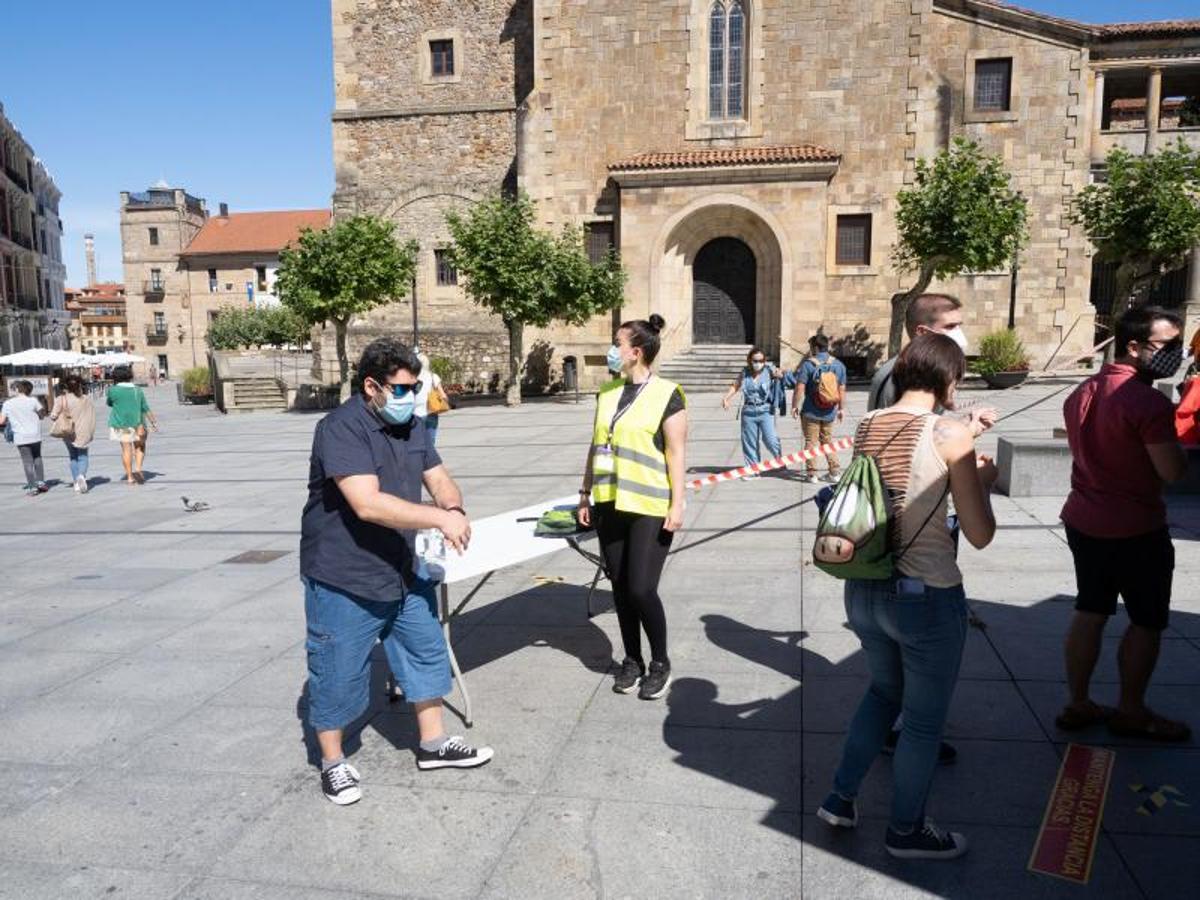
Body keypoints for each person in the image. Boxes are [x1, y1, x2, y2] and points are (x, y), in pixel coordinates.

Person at [817, 333, 997, 860]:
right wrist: (982, 477)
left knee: (881, 693)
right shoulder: (950, 434)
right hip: (927, 597)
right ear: (950, 380)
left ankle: (840, 798)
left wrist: (965, 428)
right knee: (921, 721)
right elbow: (980, 532)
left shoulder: (869, 424)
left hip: (864, 589)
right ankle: (906, 829)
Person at [301, 337, 493, 805]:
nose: (411, 398)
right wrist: (439, 519)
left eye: (415, 387)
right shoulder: (340, 429)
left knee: (425, 651)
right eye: (403, 389)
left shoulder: (413, 428)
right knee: (337, 670)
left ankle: (433, 744)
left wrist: (454, 505)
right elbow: (366, 504)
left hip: (401, 567)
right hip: (345, 574)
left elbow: (439, 475)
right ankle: (332, 761)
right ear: (372, 386)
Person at [1056, 305, 1191, 742]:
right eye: (1166, 346)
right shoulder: (1147, 402)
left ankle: (1078, 702)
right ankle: (1131, 710)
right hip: (1136, 527)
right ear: (1133, 347)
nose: (1176, 353)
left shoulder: (1082, 391)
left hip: (1083, 518)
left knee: (1090, 611)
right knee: (1146, 620)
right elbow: (1171, 472)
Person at [578, 314, 687, 700]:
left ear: (635, 352)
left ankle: (660, 663)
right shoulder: (606, 393)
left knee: (641, 588)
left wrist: (678, 503)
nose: (613, 349)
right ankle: (632, 660)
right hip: (610, 502)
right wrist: (585, 493)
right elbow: (595, 445)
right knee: (621, 587)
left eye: (618, 343)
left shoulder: (668, 394)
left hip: (649, 502)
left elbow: (676, 453)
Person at [791, 334, 847, 483]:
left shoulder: (808, 365)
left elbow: (799, 388)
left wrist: (794, 406)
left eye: (811, 347)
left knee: (811, 442)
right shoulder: (839, 365)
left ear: (815, 347)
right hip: (830, 411)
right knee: (827, 441)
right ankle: (834, 472)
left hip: (810, 411)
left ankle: (812, 474)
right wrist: (841, 409)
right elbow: (841, 389)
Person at [721, 347, 783, 475]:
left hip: (766, 410)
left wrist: (780, 374)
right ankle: (754, 469)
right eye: (755, 360)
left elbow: (781, 374)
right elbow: (736, 385)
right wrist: (726, 398)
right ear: (750, 360)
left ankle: (779, 458)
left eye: (761, 360)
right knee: (749, 442)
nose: (758, 363)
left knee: (770, 439)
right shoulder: (745, 372)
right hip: (748, 411)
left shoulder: (769, 370)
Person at [107, 366, 158, 485]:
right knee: (140, 446)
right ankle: (138, 468)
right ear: (130, 376)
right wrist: (153, 422)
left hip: (121, 424)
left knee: (126, 449)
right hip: (138, 424)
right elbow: (145, 407)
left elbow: (109, 403)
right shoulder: (137, 390)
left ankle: (130, 477)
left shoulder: (112, 390)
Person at [49, 374, 97, 493]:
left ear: (66, 386)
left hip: (68, 432)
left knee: (73, 457)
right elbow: (92, 416)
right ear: (80, 385)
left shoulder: (61, 399)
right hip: (84, 432)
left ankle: (76, 481)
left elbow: (53, 416)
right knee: (83, 456)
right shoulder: (86, 399)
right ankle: (81, 475)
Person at [1, 380, 48, 496]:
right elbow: (42, 415)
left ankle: (33, 487)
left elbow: (1, 421)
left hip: (21, 437)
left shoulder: (8, 404)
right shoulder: (33, 400)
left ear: (17, 389)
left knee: (27, 461)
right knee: (37, 457)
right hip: (35, 435)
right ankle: (41, 483)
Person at [413, 349, 449, 446]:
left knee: (416, 442)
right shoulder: (433, 376)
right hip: (431, 413)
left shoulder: (412, 378)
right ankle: (429, 459)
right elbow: (443, 395)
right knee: (430, 443)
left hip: (415, 414)